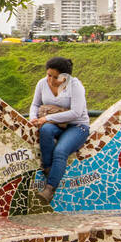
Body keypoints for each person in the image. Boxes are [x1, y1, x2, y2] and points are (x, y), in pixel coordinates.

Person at [28, 56, 90, 203]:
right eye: (49, 75)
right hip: (55, 125)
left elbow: (76, 112)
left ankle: (49, 189)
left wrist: (48, 118)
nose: (50, 80)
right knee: (46, 131)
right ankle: (50, 169)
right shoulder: (42, 83)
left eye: (55, 77)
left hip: (77, 125)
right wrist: (33, 117)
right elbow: (35, 104)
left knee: (61, 151)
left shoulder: (75, 86)